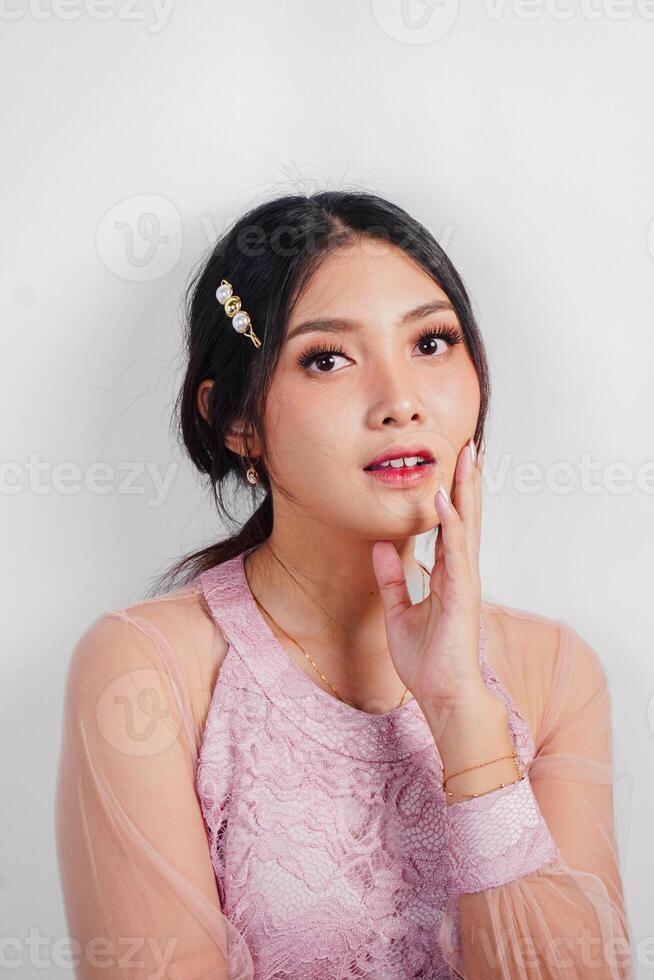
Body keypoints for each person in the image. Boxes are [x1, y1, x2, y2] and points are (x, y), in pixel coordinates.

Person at [55, 191, 634, 978]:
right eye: (327, 359)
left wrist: (464, 712)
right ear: (237, 421)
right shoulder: (149, 671)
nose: (401, 403)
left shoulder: (554, 672)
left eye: (432, 342)